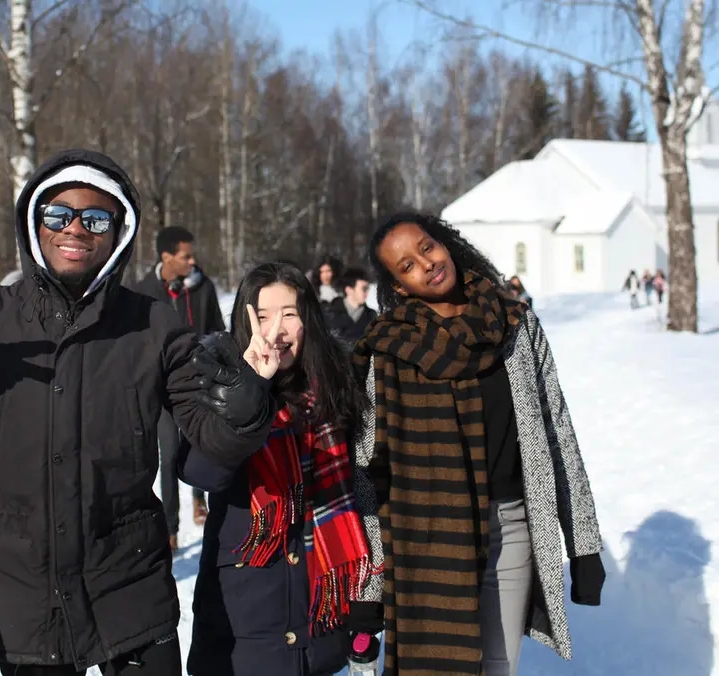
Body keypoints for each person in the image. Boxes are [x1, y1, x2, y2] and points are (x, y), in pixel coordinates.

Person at [0, 149, 275, 676]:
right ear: (34, 224)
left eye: (96, 217)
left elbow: (208, 440)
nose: (76, 228)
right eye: (58, 214)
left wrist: (243, 410)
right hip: (21, 595)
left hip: (129, 590)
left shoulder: (155, 326)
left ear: (119, 232)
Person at [353, 212, 605, 676]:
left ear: (445, 244)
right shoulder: (387, 351)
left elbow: (556, 433)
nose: (425, 264)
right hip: (426, 542)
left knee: (496, 667)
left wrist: (583, 545)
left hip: (510, 529)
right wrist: (369, 588)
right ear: (399, 287)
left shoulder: (516, 326)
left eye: (426, 248)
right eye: (406, 265)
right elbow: (368, 471)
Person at [179, 262, 378, 676]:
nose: (276, 330)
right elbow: (203, 473)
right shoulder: (218, 379)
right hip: (244, 611)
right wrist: (251, 388)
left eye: (289, 313)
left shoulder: (340, 384)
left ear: (309, 318)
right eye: (262, 316)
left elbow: (364, 484)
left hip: (321, 607)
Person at [132, 226, 226, 547]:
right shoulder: (142, 292)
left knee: (205, 445)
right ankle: (171, 529)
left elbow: (219, 332)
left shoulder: (204, 287)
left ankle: (201, 499)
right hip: (163, 389)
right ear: (166, 257)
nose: (192, 261)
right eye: (186, 256)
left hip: (202, 383)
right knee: (169, 454)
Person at [324, 266, 377, 345]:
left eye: (368, 288)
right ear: (349, 290)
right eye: (363, 288)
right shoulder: (329, 314)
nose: (367, 292)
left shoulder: (371, 315)